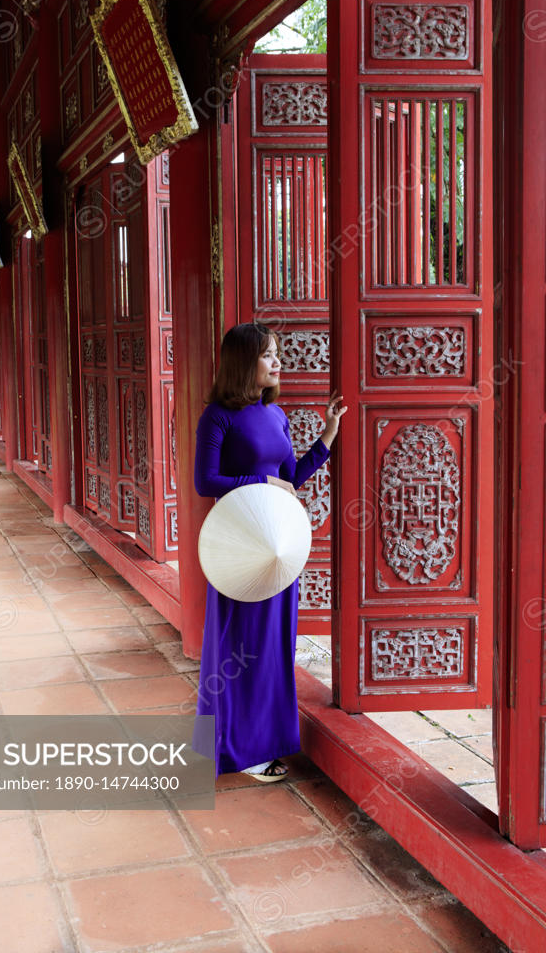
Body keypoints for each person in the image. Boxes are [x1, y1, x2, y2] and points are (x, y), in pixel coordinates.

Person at [193, 321, 347, 782]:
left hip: (278, 547)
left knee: (274, 646)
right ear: (244, 362)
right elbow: (207, 482)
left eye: (277, 353)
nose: (277, 361)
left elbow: (292, 477)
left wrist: (328, 435)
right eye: (268, 355)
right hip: (241, 544)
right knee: (240, 646)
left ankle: (264, 741)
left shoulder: (274, 415)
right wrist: (259, 482)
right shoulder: (217, 417)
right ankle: (237, 749)